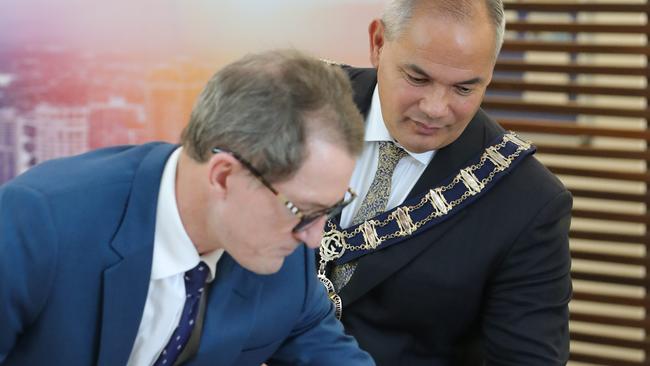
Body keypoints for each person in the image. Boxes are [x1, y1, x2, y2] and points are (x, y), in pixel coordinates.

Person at [0, 49, 376, 366]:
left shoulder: (284, 258)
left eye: (333, 208)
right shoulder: (39, 221)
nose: (315, 238)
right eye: (303, 210)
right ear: (224, 176)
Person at [318, 0, 573, 365]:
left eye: (465, 89)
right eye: (417, 78)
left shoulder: (529, 202)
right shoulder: (295, 102)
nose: (436, 108)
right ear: (378, 43)